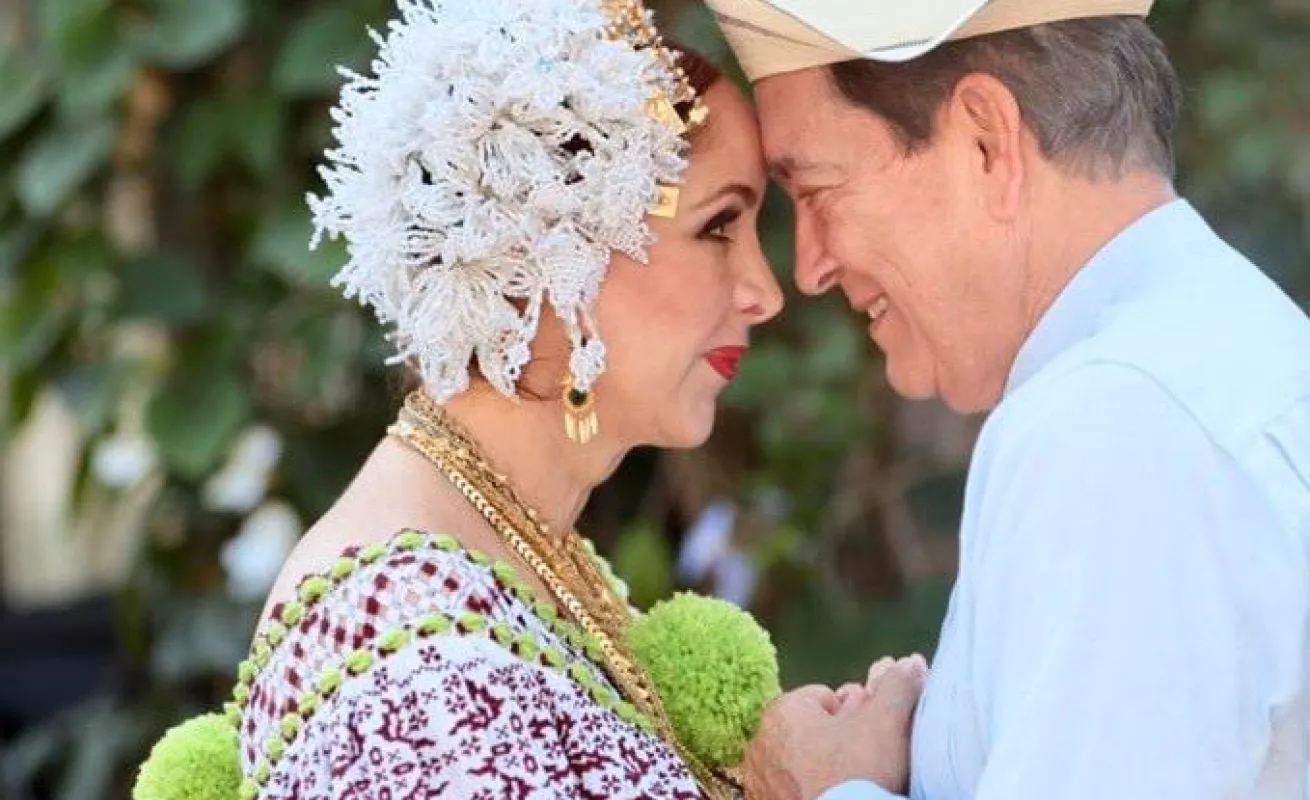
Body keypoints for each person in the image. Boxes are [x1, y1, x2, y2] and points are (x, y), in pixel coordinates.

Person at [134, 0, 787, 797]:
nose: (765, 292)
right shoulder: (417, 663)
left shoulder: (519, 563)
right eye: (719, 226)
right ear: (554, 248)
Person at [703, 0, 1310, 798]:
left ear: (987, 142)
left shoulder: (1119, 421)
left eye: (815, 191)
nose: (809, 268)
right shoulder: (1206, 354)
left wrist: (822, 787)